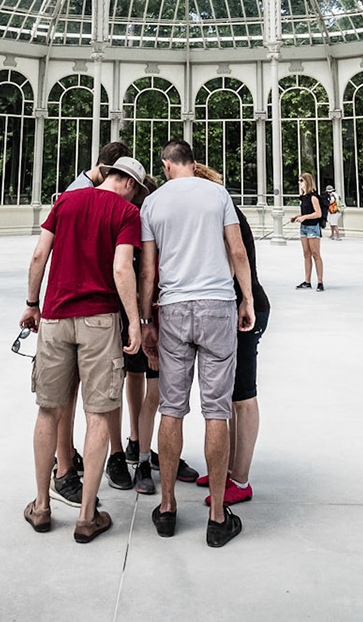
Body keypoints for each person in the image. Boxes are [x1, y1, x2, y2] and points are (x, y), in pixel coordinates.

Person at [19, 155, 148, 542]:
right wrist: (136, 322)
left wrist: (31, 303)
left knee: (48, 411)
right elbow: (123, 269)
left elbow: (40, 254)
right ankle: (87, 516)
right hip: (99, 320)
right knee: (97, 414)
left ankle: (42, 507)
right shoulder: (126, 213)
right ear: (129, 183)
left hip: (55, 318)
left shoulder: (66, 201)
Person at [140, 138, 254, 547]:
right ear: (192, 162)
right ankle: (218, 516)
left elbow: (148, 271)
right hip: (217, 306)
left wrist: (145, 320)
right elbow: (236, 250)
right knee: (216, 411)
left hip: (172, 307)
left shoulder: (152, 203)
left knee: (171, 409)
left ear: (168, 165)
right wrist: (248, 299)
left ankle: (168, 508)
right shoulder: (218, 193)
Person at [192, 165, 268, 509]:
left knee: (242, 395)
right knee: (230, 396)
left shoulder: (224, 212)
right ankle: (228, 468)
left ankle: (241, 480)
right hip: (234, 308)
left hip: (244, 309)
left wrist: (246, 301)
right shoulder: (219, 211)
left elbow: (237, 258)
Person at [288, 171, 326, 290]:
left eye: (301, 181)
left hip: (313, 227)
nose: (299, 183)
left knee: (315, 254)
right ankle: (307, 281)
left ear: (307, 182)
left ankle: (320, 282)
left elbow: (318, 213)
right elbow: (306, 212)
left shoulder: (313, 197)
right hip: (304, 227)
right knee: (306, 254)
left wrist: (304, 217)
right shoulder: (303, 197)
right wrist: (297, 217)